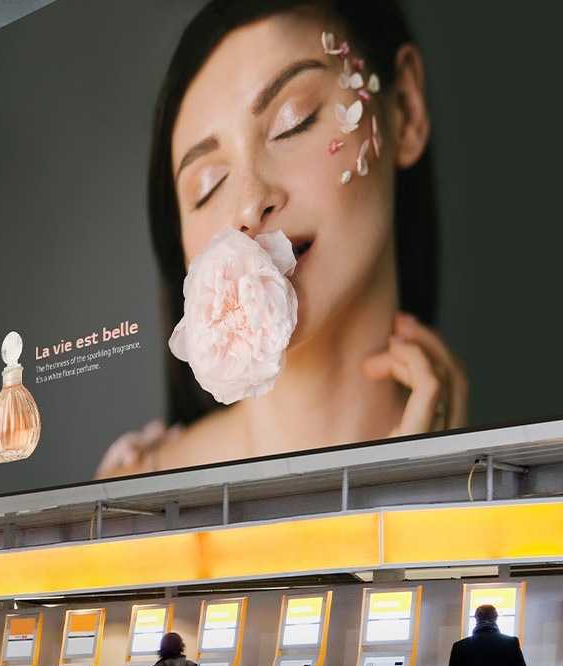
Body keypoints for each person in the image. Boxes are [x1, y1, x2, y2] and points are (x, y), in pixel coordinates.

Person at [99, 0, 464, 478]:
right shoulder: (130, 506)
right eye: (208, 186)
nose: (250, 204)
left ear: (404, 110)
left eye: (295, 121)